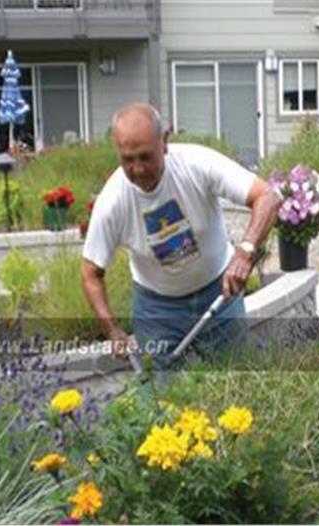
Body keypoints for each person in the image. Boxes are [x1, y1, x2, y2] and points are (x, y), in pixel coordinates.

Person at [81, 103, 281, 367]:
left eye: (145, 157)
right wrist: (112, 330)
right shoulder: (112, 201)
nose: (138, 169)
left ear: (164, 142)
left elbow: (267, 197)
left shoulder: (197, 163)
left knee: (236, 380)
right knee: (159, 391)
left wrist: (245, 253)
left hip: (219, 294)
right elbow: (91, 273)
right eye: (128, 160)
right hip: (156, 310)